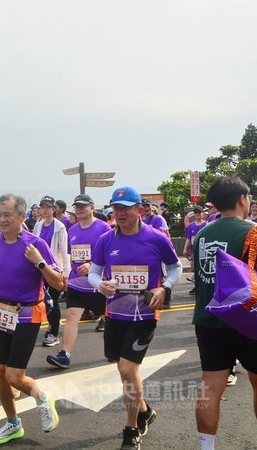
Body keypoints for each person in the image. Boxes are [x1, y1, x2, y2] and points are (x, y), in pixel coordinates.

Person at [88, 186, 182, 450]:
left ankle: (131, 428)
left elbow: (176, 266)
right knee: (124, 369)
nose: (119, 213)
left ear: (139, 210)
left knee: (128, 369)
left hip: (145, 315)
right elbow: (94, 272)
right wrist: (100, 285)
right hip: (115, 315)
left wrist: (165, 287)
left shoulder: (156, 238)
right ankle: (144, 411)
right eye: (116, 209)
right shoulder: (106, 240)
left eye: (125, 208)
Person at [0, 194, 62, 444]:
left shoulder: (35, 244)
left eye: (7, 215)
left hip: (28, 314)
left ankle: (42, 397)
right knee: (0, 373)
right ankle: (13, 424)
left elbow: (59, 283)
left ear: (22, 216)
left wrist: (40, 263)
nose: (1, 219)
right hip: (1, 312)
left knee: (14, 377)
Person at [191, 177, 257, 450]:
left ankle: (207, 447)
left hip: (208, 320)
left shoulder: (202, 234)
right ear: (242, 199)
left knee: (211, 387)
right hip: (247, 320)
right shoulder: (253, 231)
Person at [46, 194, 111, 369]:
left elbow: (111, 253)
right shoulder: (72, 230)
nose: (80, 209)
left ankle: (114, 348)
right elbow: (69, 254)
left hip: (99, 283)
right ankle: (64, 354)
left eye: (84, 206)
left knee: (110, 319)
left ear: (92, 207)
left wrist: (91, 265)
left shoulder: (104, 228)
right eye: (77, 206)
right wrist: (66, 274)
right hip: (76, 283)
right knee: (71, 316)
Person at [32, 196, 70, 348]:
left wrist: (66, 274)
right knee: (40, 300)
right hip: (39, 268)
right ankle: (50, 326)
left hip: (54, 270)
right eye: (43, 207)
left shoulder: (60, 227)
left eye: (48, 207)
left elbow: (65, 251)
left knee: (52, 301)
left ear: (54, 209)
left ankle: (53, 332)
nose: (45, 210)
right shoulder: (38, 225)